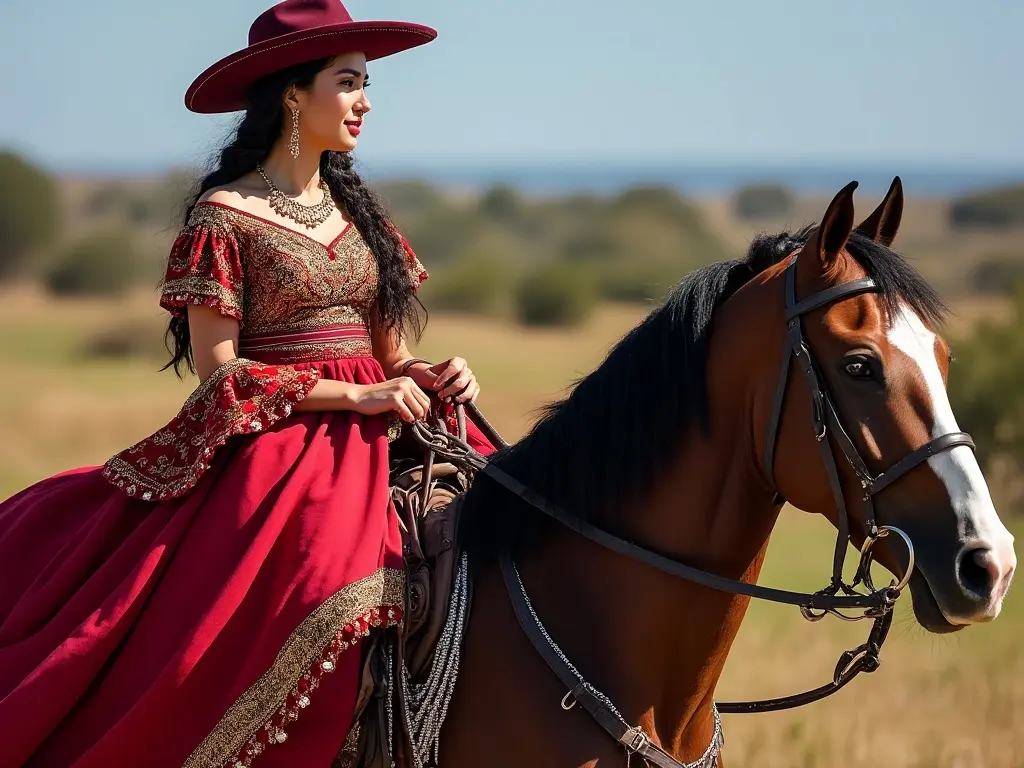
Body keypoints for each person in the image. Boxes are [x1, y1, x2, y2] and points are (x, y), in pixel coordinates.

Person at [0, 1, 496, 766]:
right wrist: (350, 396)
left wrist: (432, 374)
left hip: (393, 419)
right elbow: (218, 374)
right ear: (294, 94)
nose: (366, 100)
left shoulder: (362, 214)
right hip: (289, 437)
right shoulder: (223, 217)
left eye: (366, 83)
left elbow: (391, 355)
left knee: (514, 523)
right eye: (349, 82)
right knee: (327, 576)